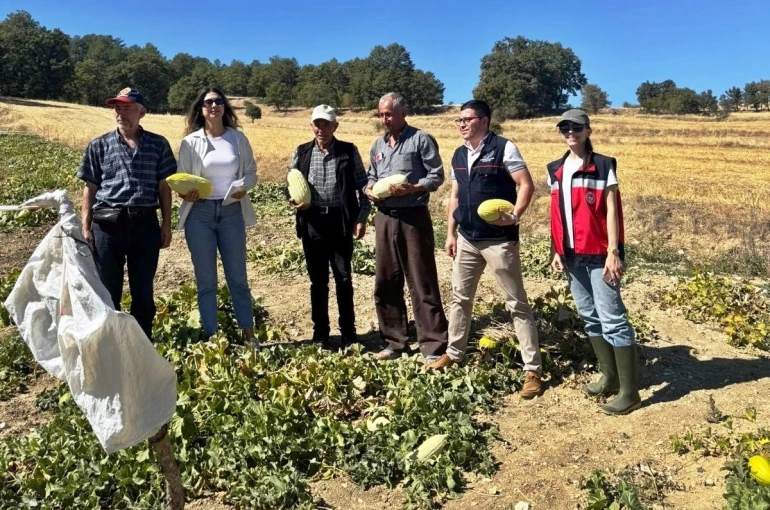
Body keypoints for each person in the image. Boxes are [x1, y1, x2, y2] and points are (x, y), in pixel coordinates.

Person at [425, 100, 543, 398]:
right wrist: (450, 234)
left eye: (468, 119)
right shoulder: (459, 154)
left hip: (499, 240)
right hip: (467, 237)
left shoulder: (504, 148)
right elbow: (454, 196)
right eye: (459, 120)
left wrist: (515, 216)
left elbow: (525, 185)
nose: (462, 124)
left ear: (485, 121)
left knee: (516, 303)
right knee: (460, 298)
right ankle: (454, 353)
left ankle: (532, 369)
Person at [548, 109, 641, 415]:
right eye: (564, 127)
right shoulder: (555, 169)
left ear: (588, 130)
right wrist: (556, 250)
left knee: (613, 318)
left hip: (601, 254)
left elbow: (612, 211)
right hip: (571, 255)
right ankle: (609, 377)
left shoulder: (603, 165)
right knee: (589, 316)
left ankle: (630, 392)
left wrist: (614, 251)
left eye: (576, 127)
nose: (570, 132)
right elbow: (556, 214)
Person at [77, 87, 176, 340]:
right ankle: (111, 342)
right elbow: (90, 188)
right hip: (107, 225)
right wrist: (86, 227)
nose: (120, 113)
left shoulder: (158, 144)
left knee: (143, 291)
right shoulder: (98, 145)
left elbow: (164, 187)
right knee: (108, 290)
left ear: (142, 112)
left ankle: (141, 343)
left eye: (127, 108)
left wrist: (166, 224)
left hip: (145, 224)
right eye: (117, 108)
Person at [365, 92, 448, 362]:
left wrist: (413, 188)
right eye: (381, 115)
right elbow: (371, 176)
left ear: (403, 113)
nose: (384, 119)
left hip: (413, 217)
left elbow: (436, 175)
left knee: (421, 280)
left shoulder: (420, 139)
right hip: (384, 217)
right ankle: (394, 342)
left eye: (389, 114)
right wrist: (368, 189)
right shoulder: (378, 145)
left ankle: (433, 345)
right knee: (386, 280)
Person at [176, 88, 258, 345]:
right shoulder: (190, 142)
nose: (214, 106)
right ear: (201, 109)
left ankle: (248, 334)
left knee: (238, 278)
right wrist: (186, 194)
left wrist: (243, 186)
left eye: (219, 101)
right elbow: (181, 179)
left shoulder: (238, 139)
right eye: (208, 102)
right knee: (206, 280)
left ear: (225, 107)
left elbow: (251, 173)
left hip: (232, 212)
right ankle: (213, 337)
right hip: (199, 214)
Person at [288, 105, 371, 350]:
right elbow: (290, 183)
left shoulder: (348, 151)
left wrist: (361, 217)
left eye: (326, 124)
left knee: (343, 279)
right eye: (317, 124)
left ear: (335, 126)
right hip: (312, 223)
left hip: (340, 223)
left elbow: (364, 187)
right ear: (311, 126)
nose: (321, 129)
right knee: (318, 281)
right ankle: (320, 334)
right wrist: (293, 200)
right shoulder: (302, 152)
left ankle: (349, 334)